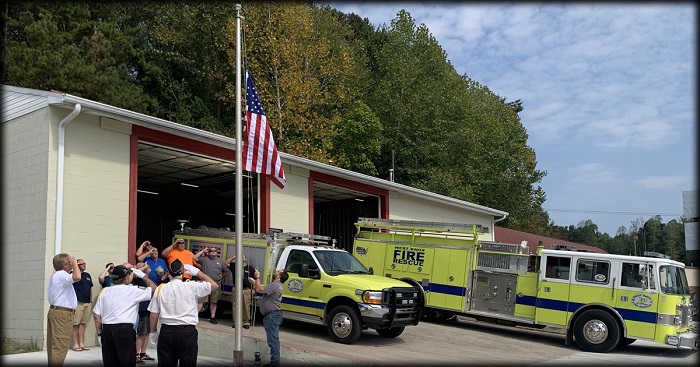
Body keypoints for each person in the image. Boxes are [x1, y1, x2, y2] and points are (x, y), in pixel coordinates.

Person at [148, 260, 218, 367]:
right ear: (183, 272)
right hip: (187, 332)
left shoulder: (160, 288)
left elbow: (154, 314)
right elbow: (214, 285)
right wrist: (198, 272)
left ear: (168, 273)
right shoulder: (191, 286)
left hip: (167, 331)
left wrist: (153, 332)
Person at [93, 264, 156, 367]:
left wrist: (100, 334)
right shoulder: (133, 290)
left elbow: (96, 316)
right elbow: (154, 290)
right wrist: (143, 276)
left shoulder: (104, 291)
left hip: (107, 330)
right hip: (124, 331)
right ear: (126, 278)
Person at [47, 253, 81, 367]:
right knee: (60, 345)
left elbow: (73, 276)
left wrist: (74, 265)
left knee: (54, 345)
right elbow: (77, 277)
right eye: (69, 262)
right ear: (65, 264)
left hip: (56, 312)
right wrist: (75, 263)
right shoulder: (62, 275)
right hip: (62, 314)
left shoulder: (57, 275)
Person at [249, 269, 288, 367]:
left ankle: (274, 362)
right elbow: (262, 287)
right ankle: (274, 361)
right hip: (273, 315)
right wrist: (255, 282)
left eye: (279, 271)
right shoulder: (277, 286)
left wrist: (257, 277)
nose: (276, 271)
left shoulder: (275, 285)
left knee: (273, 340)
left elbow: (259, 289)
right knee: (274, 339)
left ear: (279, 277)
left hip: (272, 316)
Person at [194, 246, 230, 324]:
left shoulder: (220, 261)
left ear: (217, 252)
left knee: (214, 302)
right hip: (205, 284)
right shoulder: (204, 259)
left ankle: (212, 317)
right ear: (208, 252)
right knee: (201, 301)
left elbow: (226, 271)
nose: (213, 252)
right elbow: (194, 257)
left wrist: (221, 277)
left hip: (216, 284)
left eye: (214, 251)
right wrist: (203, 250)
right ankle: (195, 316)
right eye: (211, 251)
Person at [132, 262, 155, 364]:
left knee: (147, 332)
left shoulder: (148, 279)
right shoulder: (137, 278)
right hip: (141, 309)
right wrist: (142, 268)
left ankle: (143, 353)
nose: (147, 265)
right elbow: (135, 274)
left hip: (149, 308)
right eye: (144, 265)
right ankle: (136, 354)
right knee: (141, 333)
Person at [224, 254, 255, 329]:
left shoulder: (250, 268)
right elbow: (225, 263)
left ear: (246, 259)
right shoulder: (234, 266)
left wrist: (253, 289)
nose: (242, 257)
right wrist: (234, 257)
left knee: (246, 306)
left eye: (243, 256)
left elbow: (255, 279)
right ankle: (236, 322)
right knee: (235, 305)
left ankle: (246, 322)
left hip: (246, 290)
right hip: (236, 288)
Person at [71, 259, 93, 352]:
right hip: (78, 302)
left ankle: (81, 343)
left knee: (83, 323)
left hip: (87, 302)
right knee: (75, 323)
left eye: (85, 263)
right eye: (81, 264)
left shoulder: (87, 275)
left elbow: (90, 288)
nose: (84, 265)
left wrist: (90, 300)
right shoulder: (73, 274)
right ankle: (75, 344)